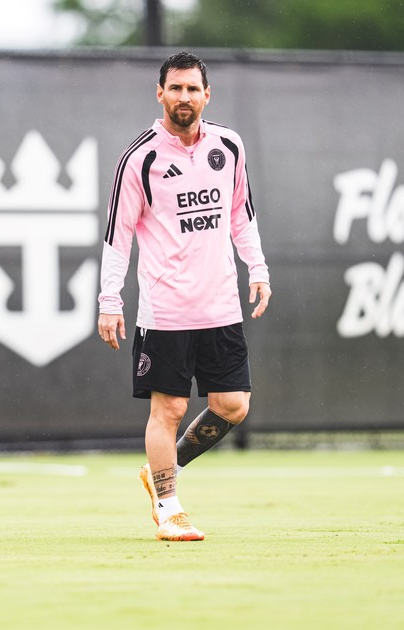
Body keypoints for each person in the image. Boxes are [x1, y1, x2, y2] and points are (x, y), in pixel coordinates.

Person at [97, 51, 272, 542]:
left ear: (206, 95)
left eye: (193, 88)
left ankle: (159, 472)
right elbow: (118, 236)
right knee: (168, 411)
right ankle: (169, 508)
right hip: (166, 310)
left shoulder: (229, 146)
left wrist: (257, 268)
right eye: (175, 88)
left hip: (221, 305)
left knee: (233, 405)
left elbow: (241, 215)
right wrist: (110, 299)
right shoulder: (140, 159)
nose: (184, 97)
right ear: (160, 93)